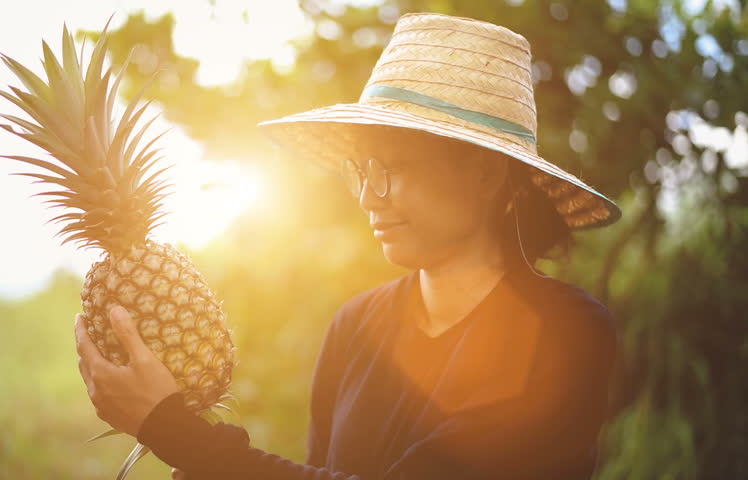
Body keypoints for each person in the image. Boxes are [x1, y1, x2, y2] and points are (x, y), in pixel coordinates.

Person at [74, 12, 624, 480]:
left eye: (395, 169)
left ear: (485, 174)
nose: (368, 197)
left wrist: (172, 430)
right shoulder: (355, 325)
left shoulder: (567, 334)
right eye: (362, 170)